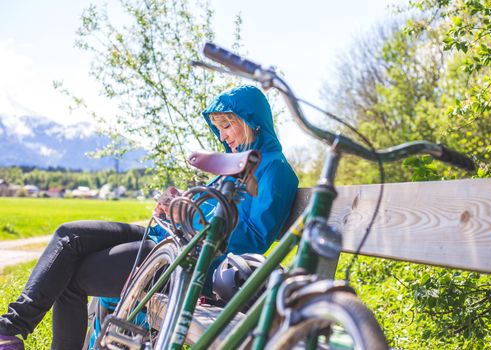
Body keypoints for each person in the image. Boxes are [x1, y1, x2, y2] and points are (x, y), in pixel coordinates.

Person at [0, 85, 298, 350]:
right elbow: (204, 209)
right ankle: (9, 329)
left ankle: (13, 331)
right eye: (218, 128)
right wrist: (174, 206)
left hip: (197, 264)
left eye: (227, 126)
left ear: (251, 122)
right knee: (70, 235)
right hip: (166, 242)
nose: (222, 136)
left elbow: (253, 240)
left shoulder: (275, 170)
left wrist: (190, 216)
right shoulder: (232, 167)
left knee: (71, 276)